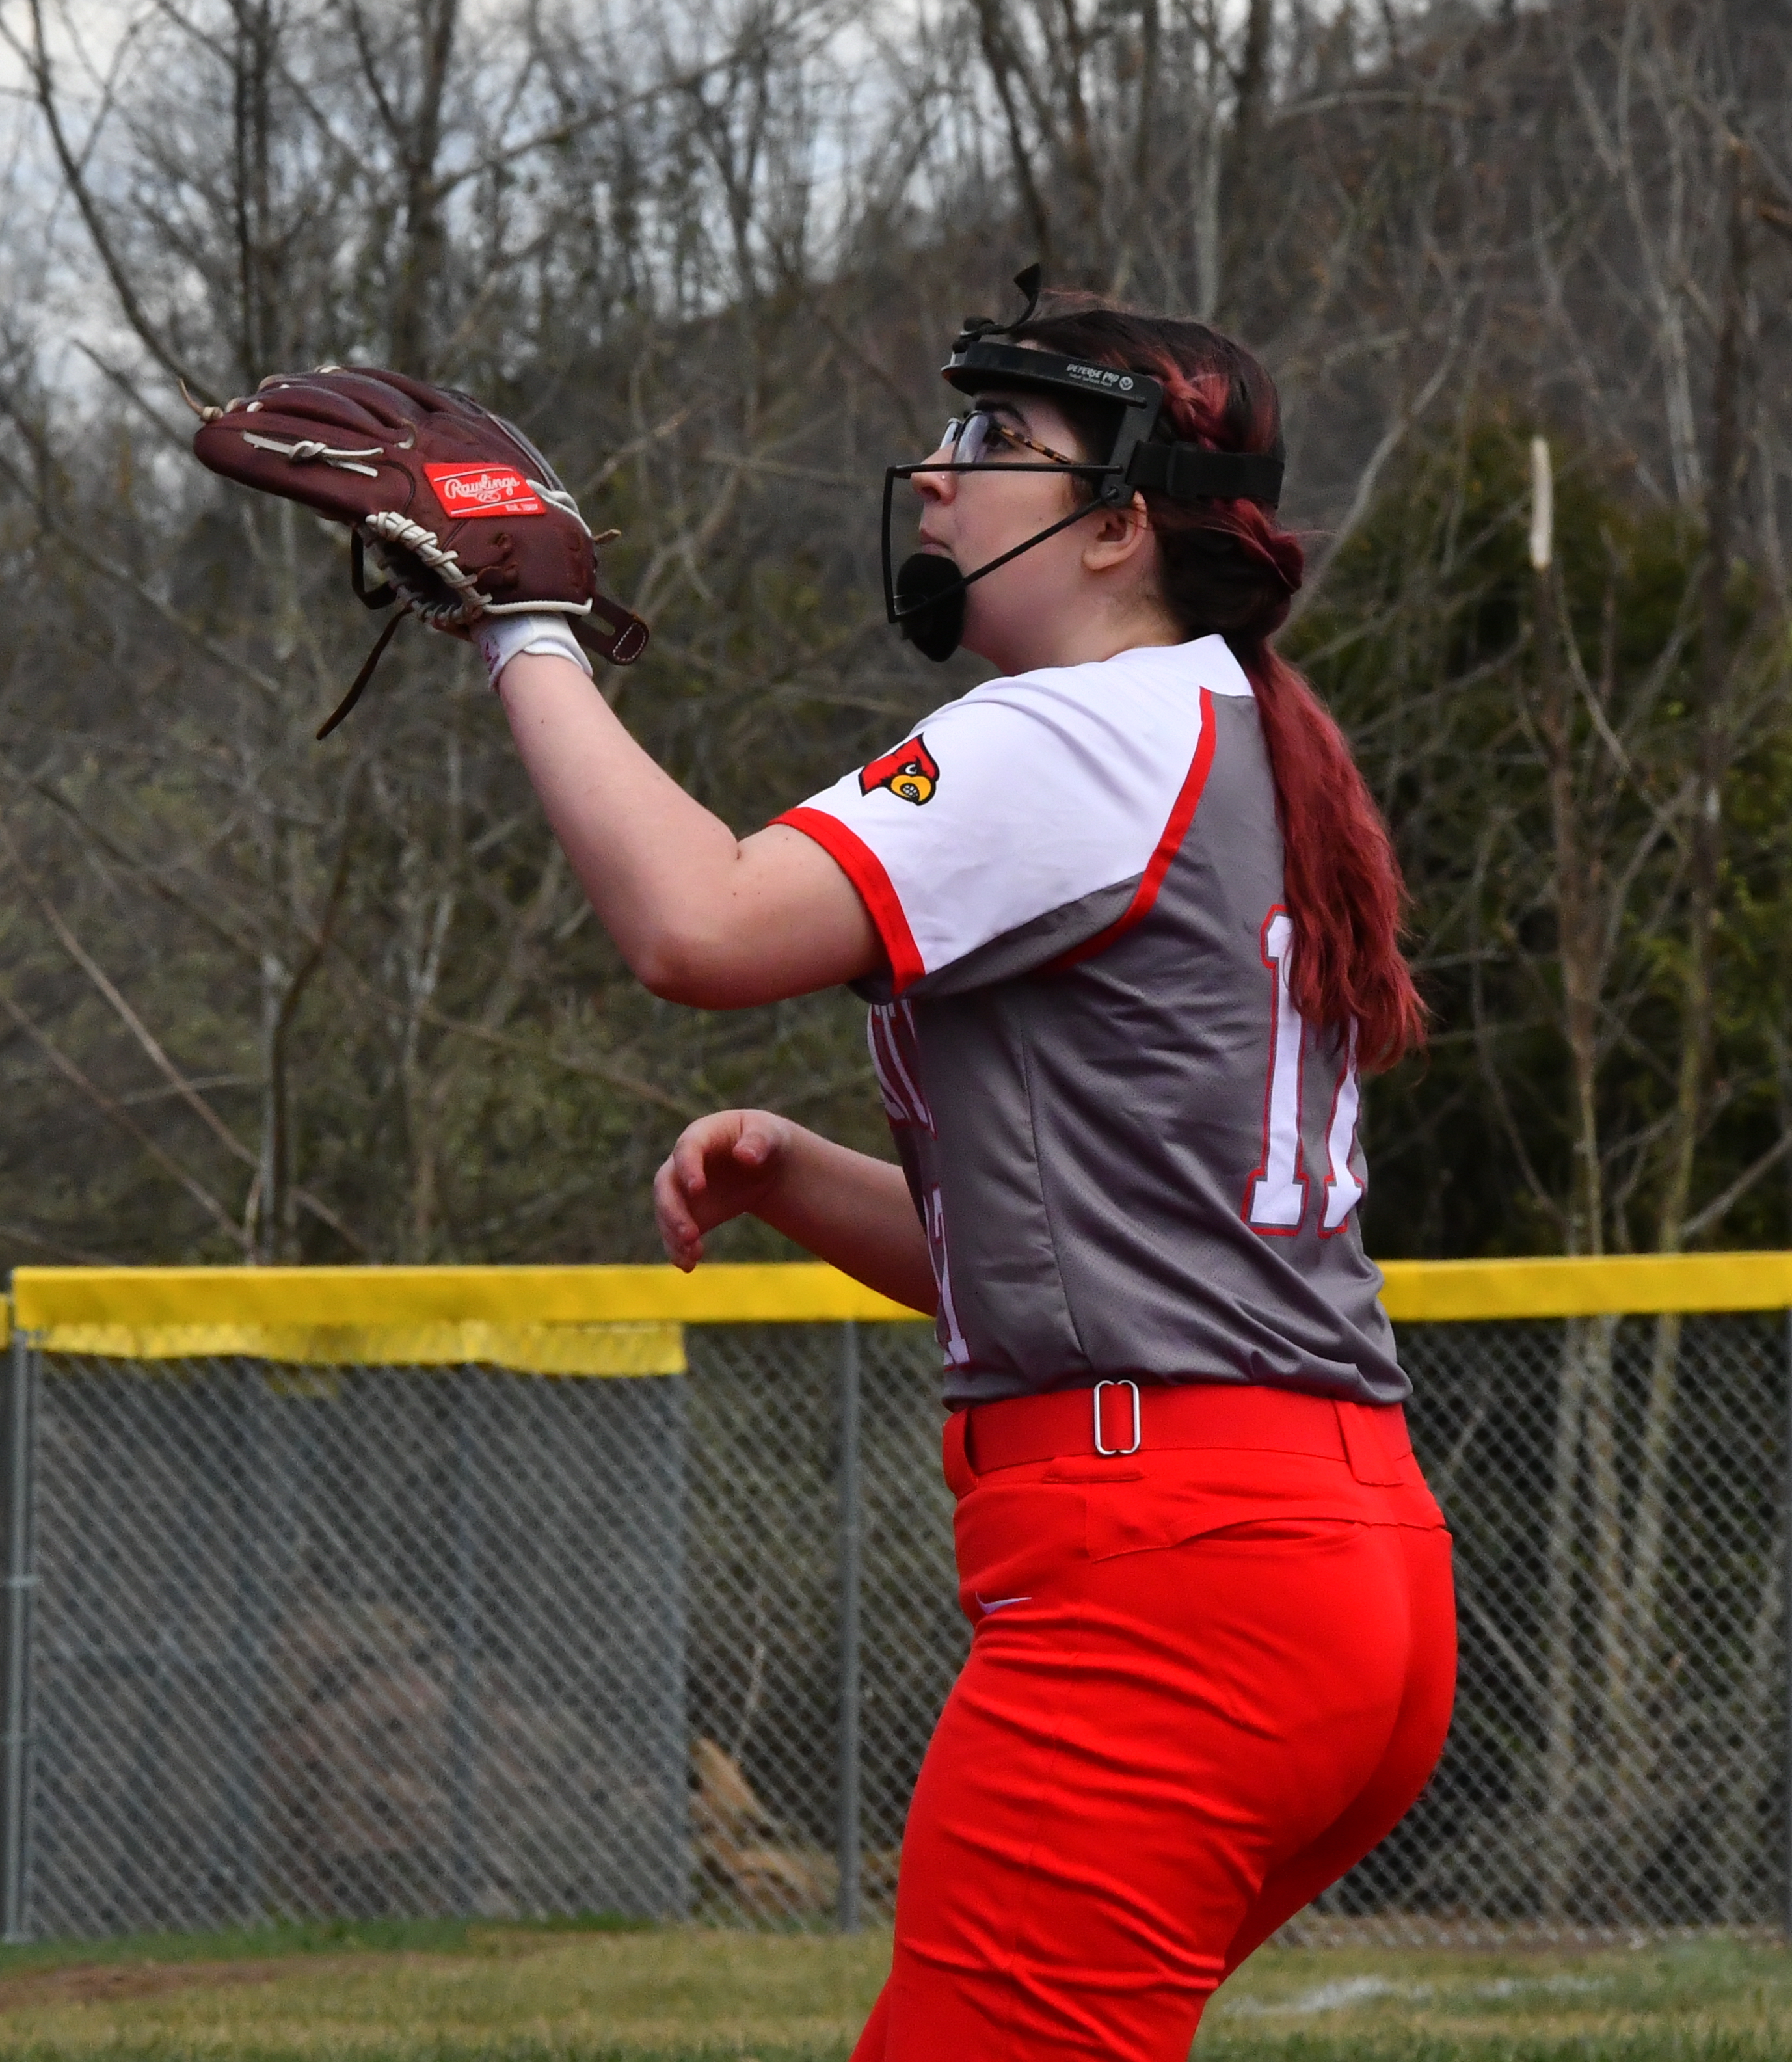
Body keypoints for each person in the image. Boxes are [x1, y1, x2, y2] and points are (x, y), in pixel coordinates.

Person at [468, 282, 1455, 2062]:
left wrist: (524, 629)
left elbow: (693, 926)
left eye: (998, 444)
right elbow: (1101, 1257)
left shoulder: (1075, 729)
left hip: (1174, 1579)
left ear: (1120, 527)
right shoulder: (1230, 724)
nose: (937, 480)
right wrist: (799, 1179)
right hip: (1345, 1570)